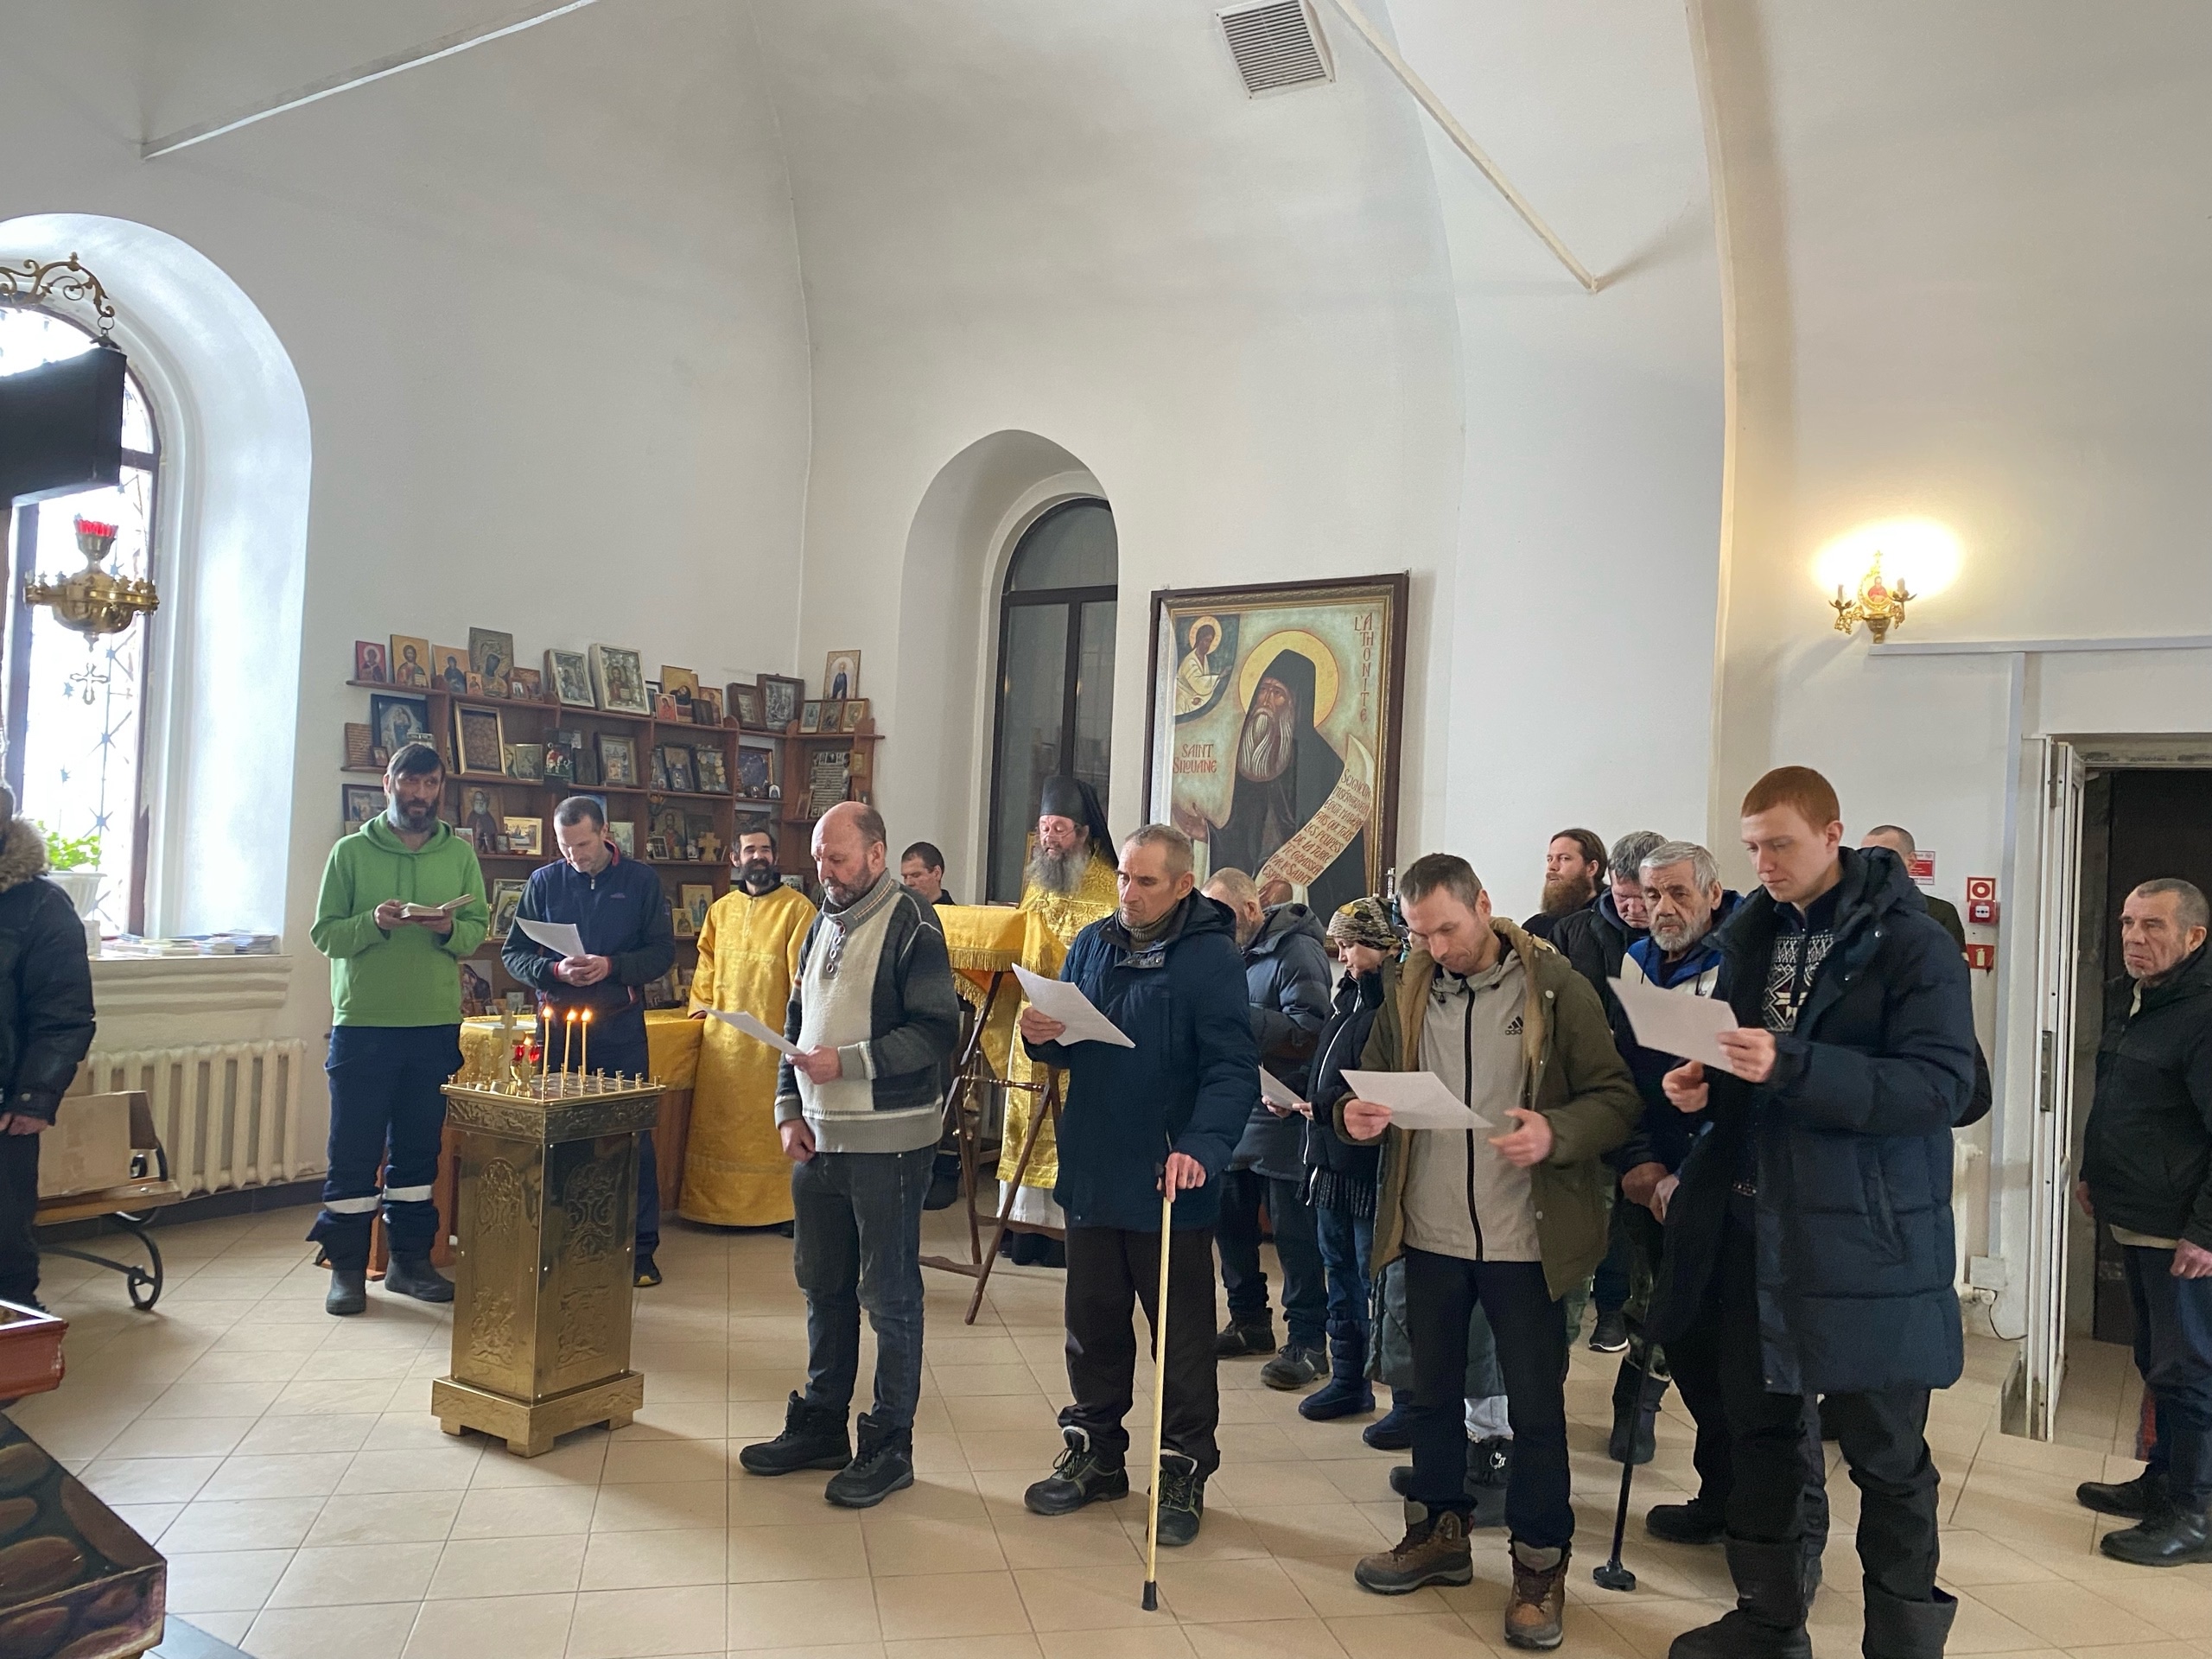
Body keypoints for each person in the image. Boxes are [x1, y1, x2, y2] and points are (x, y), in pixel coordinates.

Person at [1649, 766, 1974, 1659]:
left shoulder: (1912, 942)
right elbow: (1751, 1068)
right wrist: (1707, 1084)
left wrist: (1789, 1065)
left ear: (1834, 834)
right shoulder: (1754, 935)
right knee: (1760, 1435)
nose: (1765, 864)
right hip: (1756, 1226)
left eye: (1781, 844)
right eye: (1752, 847)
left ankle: (1903, 1641)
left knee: (1885, 1455)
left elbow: (1942, 1087)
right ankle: (1769, 1622)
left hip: (1867, 1237)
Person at [1339, 854, 1638, 1652]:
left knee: (1535, 1411)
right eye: (1421, 934)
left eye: (1449, 928)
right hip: (1430, 1235)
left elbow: (1616, 1098)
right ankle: (1438, 1533)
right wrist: (1353, 1115)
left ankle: (1539, 1565)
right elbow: (1367, 1083)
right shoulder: (1408, 988)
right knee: (1430, 1396)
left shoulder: (1555, 986)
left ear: (1484, 905)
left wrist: (1556, 1132)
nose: (1438, 948)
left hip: (1525, 1243)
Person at [1017, 823, 1255, 1546]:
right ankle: (1095, 1451)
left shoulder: (1210, 958)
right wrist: (1040, 1034)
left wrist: (1203, 1146)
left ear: (1183, 885)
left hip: (1169, 1174)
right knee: (1091, 1326)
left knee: (1181, 1339)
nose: (1129, 892)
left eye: (1146, 881)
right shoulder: (1093, 943)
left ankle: (1183, 1467)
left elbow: (1232, 1068)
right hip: (1095, 1165)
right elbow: (1070, 1042)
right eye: (1123, 876)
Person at [738, 803, 959, 1509]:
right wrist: (787, 1108)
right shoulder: (820, 921)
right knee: (822, 1285)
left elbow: (936, 1032)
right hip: (818, 1138)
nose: (824, 872)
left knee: (888, 1296)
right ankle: (822, 1422)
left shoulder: (913, 922)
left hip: (888, 1142)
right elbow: (795, 1024)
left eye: (837, 859)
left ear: (876, 854)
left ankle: (890, 1443)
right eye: (818, 859)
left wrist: (851, 1063)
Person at [308, 742, 487, 1315]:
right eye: (409, 783)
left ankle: (410, 1263)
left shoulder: (458, 854)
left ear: (440, 789)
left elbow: (477, 930)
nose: (419, 795)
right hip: (364, 1024)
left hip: (434, 1023)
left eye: (430, 784)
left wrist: (445, 929)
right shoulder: (350, 853)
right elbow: (326, 935)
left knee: (418, 1153)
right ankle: (347, 1270)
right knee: (354, 1151)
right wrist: (373, 921)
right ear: (388, 784)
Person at [2075, 878, 2212, 1565]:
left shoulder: (2203, 1013)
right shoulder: (2137, 999)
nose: (2134, 937)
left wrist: (2207, 1233)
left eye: (2152, 926)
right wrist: (2092, 1172)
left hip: (2180, 1229)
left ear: (2194, 936)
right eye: (2128, 923)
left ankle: (2197, 1515)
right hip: (2136, 1214)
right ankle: (2164, 1483)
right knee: (2156, 1360)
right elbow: (2121, 1100)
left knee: (2191, 1370)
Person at [502, 796, 676, 1285]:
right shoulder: (544, 882)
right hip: (557, 1027)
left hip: (618, 1028)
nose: (574, 856)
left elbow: (662, 953)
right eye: (564, 847)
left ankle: (639, 1249)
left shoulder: (640, 881)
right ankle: (562, 1241)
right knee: (559, 1134)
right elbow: (514, 954)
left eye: (582, 844)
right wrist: (554, 970)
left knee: (630, 1135)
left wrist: (612, 966)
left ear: (604, 834)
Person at [1204, 868, 1333, 1386]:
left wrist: (1242, 1017)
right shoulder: (1223, 951)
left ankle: (1308, 1342)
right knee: (1230, 1224)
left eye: (1224, 914)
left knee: (1293, 1236)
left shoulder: (1297, 951)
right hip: (1234, 1106)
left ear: (1252, 909)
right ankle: (1249, 1322)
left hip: (1283, 1111)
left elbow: (1313, 1031)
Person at [1551, 827, 1664, 1354]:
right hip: (1590, 1094)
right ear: (1610, 882)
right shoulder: (1573, 932)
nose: (1635, 909)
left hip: (1655, 1098)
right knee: (1592, 1212)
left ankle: (1617, 1312)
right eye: (1624, 897)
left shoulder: (1679, 938)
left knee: (1635, 1219)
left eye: (1645, 898)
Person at [997, 776, 1120, 1255]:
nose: (1048, 838)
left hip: (1075, 1025)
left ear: (1084, 833)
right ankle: (1021, 1229)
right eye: (1044, 827)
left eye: (1059, 829)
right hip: (1031, 1021)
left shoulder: (1108, 887)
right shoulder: (1037, 880)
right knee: (1023, 1118)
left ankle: (1060, 1237)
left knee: (1063, 1123)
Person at [1297, 895, 1401, 1421]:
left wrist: (1319, 1105)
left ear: (1381, 946)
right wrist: (1301, 1099)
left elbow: (1374, 1084)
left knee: (1374, 1279)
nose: (1341, 954)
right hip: (1328, 1160)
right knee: (1337, 1271)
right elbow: (1328, 1068)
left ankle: (1404, 1398)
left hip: (1365, 1166)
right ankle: (1347, 1379)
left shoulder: (1391, 1006)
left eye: (1350, 944)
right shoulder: (1346, 999)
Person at [683, 827, 817, 1230]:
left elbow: (804, 979)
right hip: (723, 1040)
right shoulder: (720, 910)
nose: (758, 856)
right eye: (749, 850)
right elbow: (706, 963)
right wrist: (700, 1007)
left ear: (775, 857)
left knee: (770, 1123)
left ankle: (779, 1210)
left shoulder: (797, 909)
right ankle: (715, 1208)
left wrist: (799, 1028)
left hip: (772, 1038)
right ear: (735, 858)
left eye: (765, 850)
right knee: (720, 1125)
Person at [0, 786, 97, 1311]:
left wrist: (34, 1097)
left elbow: (64, 1014)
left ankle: (15, 1341)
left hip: (6, 1101)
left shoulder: (40, 904)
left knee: (4, 1242)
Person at [1859, 826, 1965, 952]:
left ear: (1911, 862)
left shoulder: (1941, 913)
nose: (1873, 865)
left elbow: (1951, 962)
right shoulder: (1852, 909)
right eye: (1865, 857)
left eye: (1884, 858)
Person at [1522, 828, 1605, 942]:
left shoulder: (1614, 919)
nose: (1552, 867)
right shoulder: (1535, 929)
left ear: (1591, 868)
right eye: (1550, 859)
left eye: (1564, 858)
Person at [899, 842, 955, 906]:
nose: (908, 883)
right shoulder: (901, 911)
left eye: (916, 875)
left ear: (936, 874)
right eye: (905, 877)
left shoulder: (954, 912)